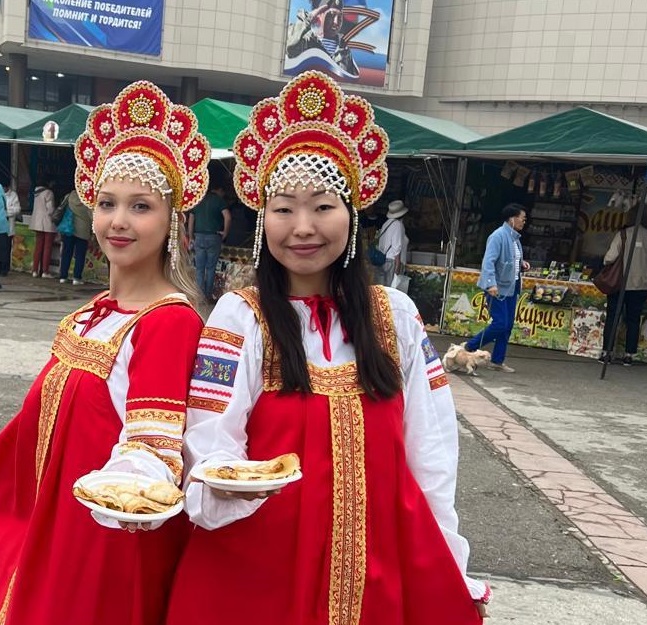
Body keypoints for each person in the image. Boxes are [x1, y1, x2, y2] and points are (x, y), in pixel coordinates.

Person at [166, 71, 489, 625]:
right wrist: (219, 489)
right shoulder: (241, 316)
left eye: (323, 206)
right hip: (260, 570)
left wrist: (447, 560)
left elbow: (432, 457)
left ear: (353, 215)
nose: (303, 227)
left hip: (380, 569)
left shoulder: (398, 318)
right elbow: (210, 439)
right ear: (262, 217)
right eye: (284, 208)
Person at [0, 81, 211, 625]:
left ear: (173, 221)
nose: (119, 221)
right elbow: (41, 419)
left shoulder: (168, 321)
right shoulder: (92, 311)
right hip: (54, 527)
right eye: (107, 203)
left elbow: (153, 442)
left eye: (141, 206)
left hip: (106, 545)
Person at [464, 203, 529, 373]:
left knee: (507, 325)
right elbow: (488, 261)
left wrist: (521, 264)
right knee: (500, 323)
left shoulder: (515, 238)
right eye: (522, 219)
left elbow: (510, 259)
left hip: (512, 287)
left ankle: (497, 361)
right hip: (497, 288)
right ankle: (469, 346)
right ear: (512, 219)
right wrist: (490, 283)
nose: (524, 222)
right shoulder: (498, 236)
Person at [600, 209, 647, 366]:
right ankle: (629, 355)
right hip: (641, 286)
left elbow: (609, 258)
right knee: (633, 320)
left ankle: (607, 352)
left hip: (619, 284)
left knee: (613, 317)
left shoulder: (622, 234)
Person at [187, 181, 230, 302]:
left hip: (198, 237)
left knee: (199, 268)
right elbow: (228, 216)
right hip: (214, 237)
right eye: (223, 192)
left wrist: (191, 237)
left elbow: (191, 219)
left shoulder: (198, 200)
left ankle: (200, 297)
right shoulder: (219, 201)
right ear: (219, 189)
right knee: (210, 268)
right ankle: (208, 296)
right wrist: (225, 232)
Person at [58, 189, 92, 285]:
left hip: (69, 228)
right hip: (83, 230)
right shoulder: (87, 199)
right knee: (80, 255)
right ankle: (76, 278)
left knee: (66, 253)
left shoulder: (70, 196)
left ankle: (63, 276)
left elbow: (62, 207)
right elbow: (91, 216)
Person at [376, 199, 409, 286]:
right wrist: (397, 265)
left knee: (383, 288)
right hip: (392, 261)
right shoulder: (398, 225)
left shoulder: (385, 224)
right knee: (392, 288)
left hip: (382, 259)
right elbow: (396, 245)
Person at [29, 180, 58, 278]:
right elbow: (50, 209)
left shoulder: (36, 192)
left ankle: (34, 270)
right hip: (47, 222)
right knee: (47, 248)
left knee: (38, 247)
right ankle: (45, 271)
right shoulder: (49, 193)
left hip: (37, 222)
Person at [2, 175, 22, 276]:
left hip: (9, 226)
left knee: (6, 248)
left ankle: (5, 269)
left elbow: (17, 209)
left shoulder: (13, 195)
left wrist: (6, 212)